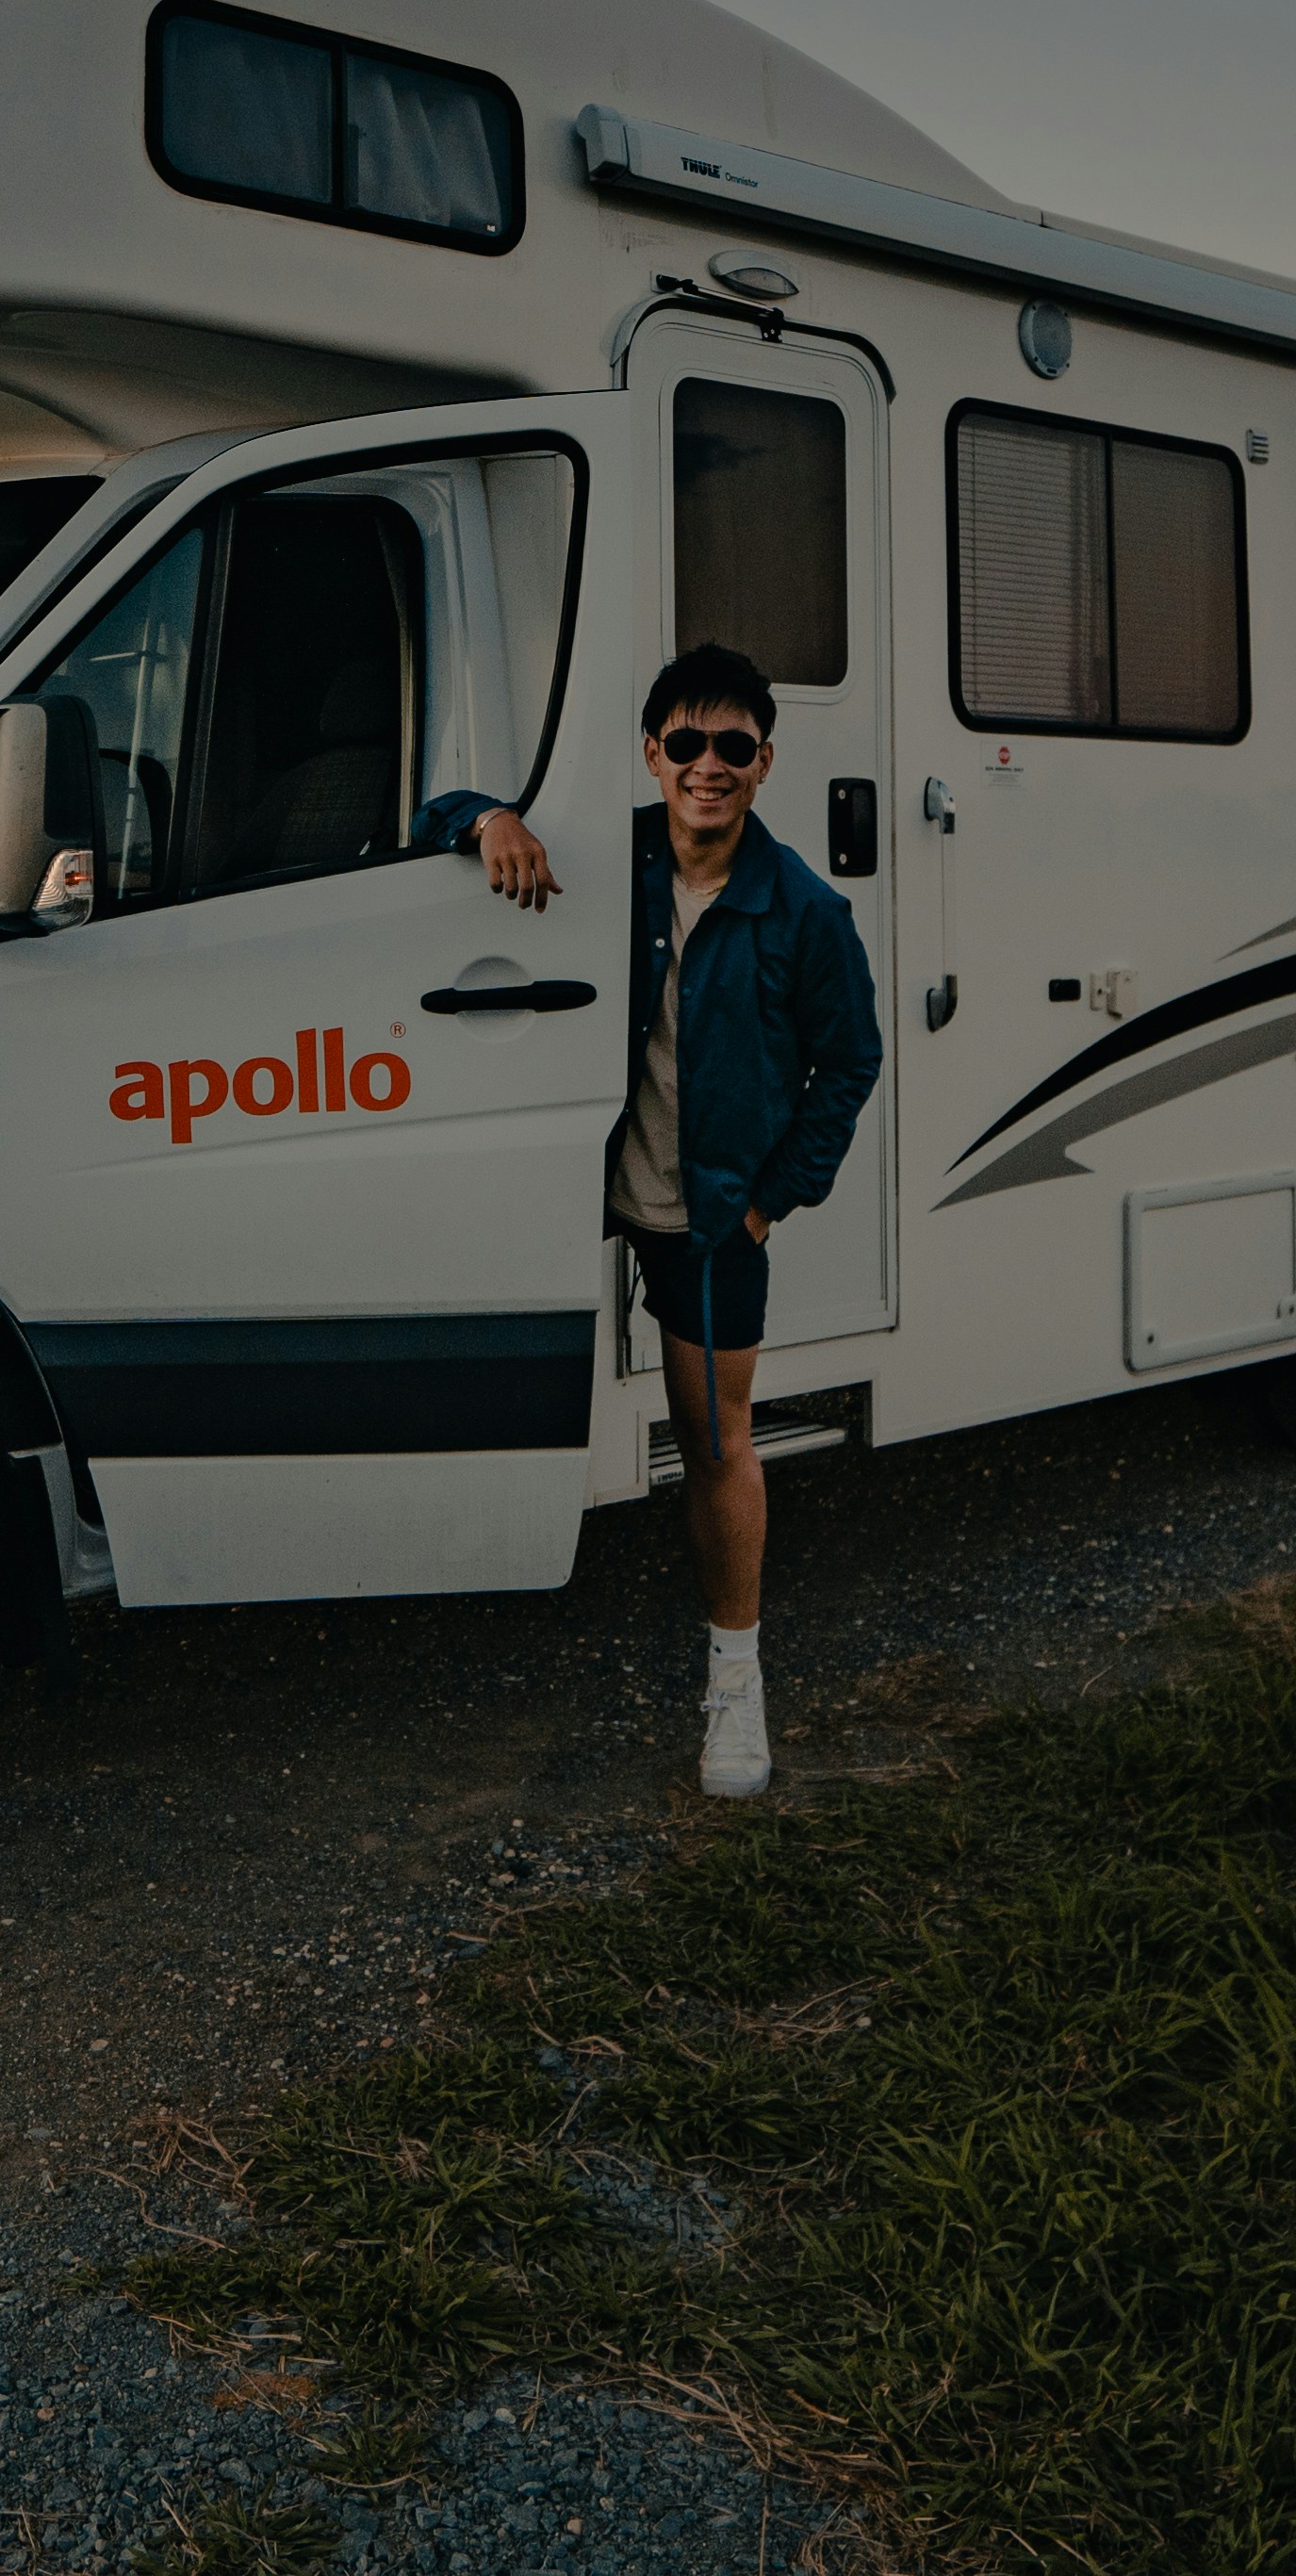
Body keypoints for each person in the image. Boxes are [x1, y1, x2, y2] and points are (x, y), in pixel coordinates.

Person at [413, 644, 881, 1796]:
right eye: (686, 742)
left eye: (733, 746)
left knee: (715, 1439)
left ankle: (736, 1685)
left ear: (765, 761)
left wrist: (771, 1201)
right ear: (651, 751)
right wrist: (491, 820)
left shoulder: (803, 909)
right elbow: (429, 805)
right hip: (576, 1189)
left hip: (711, 1217)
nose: (706, 766)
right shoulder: (606, 851)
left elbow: (852, 1061)